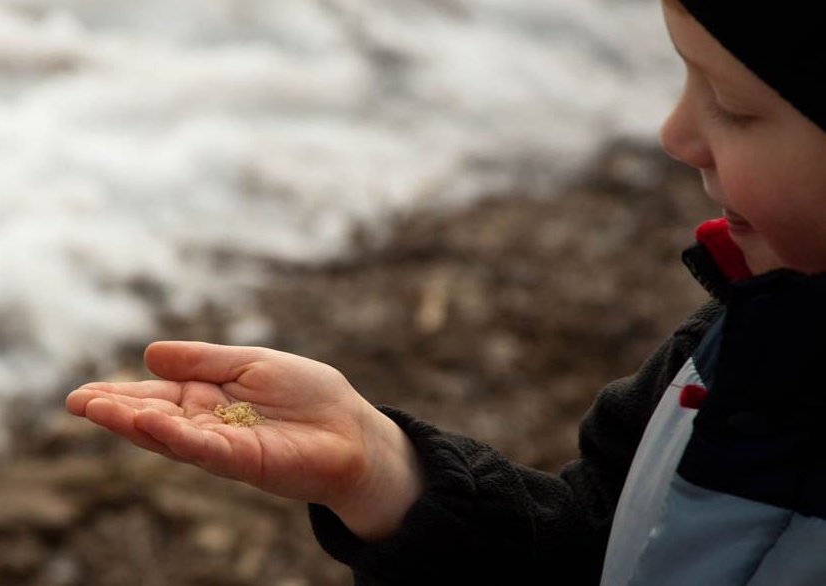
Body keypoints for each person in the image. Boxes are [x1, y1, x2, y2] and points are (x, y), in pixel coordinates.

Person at [65, 1, 826, 583]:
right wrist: (381, 471)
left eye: (733, 103)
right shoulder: (743, 347)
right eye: (683, 78)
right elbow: (597, 552)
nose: (674, 133)